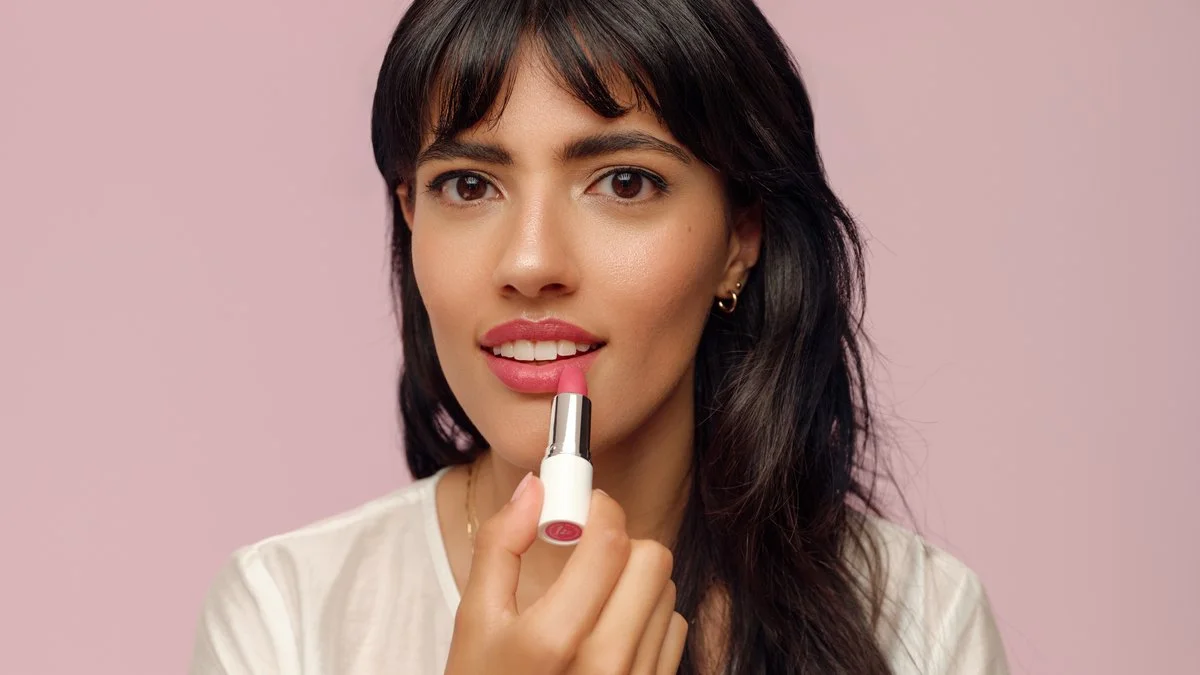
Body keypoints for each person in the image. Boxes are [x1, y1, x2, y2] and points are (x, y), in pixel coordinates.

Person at [190, 0, 1009, 673]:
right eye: (469, 185)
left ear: (740, 237)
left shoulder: (918, 625)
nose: (531, 261)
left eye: (624, 182)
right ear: (409, 216)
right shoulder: (286, 619)